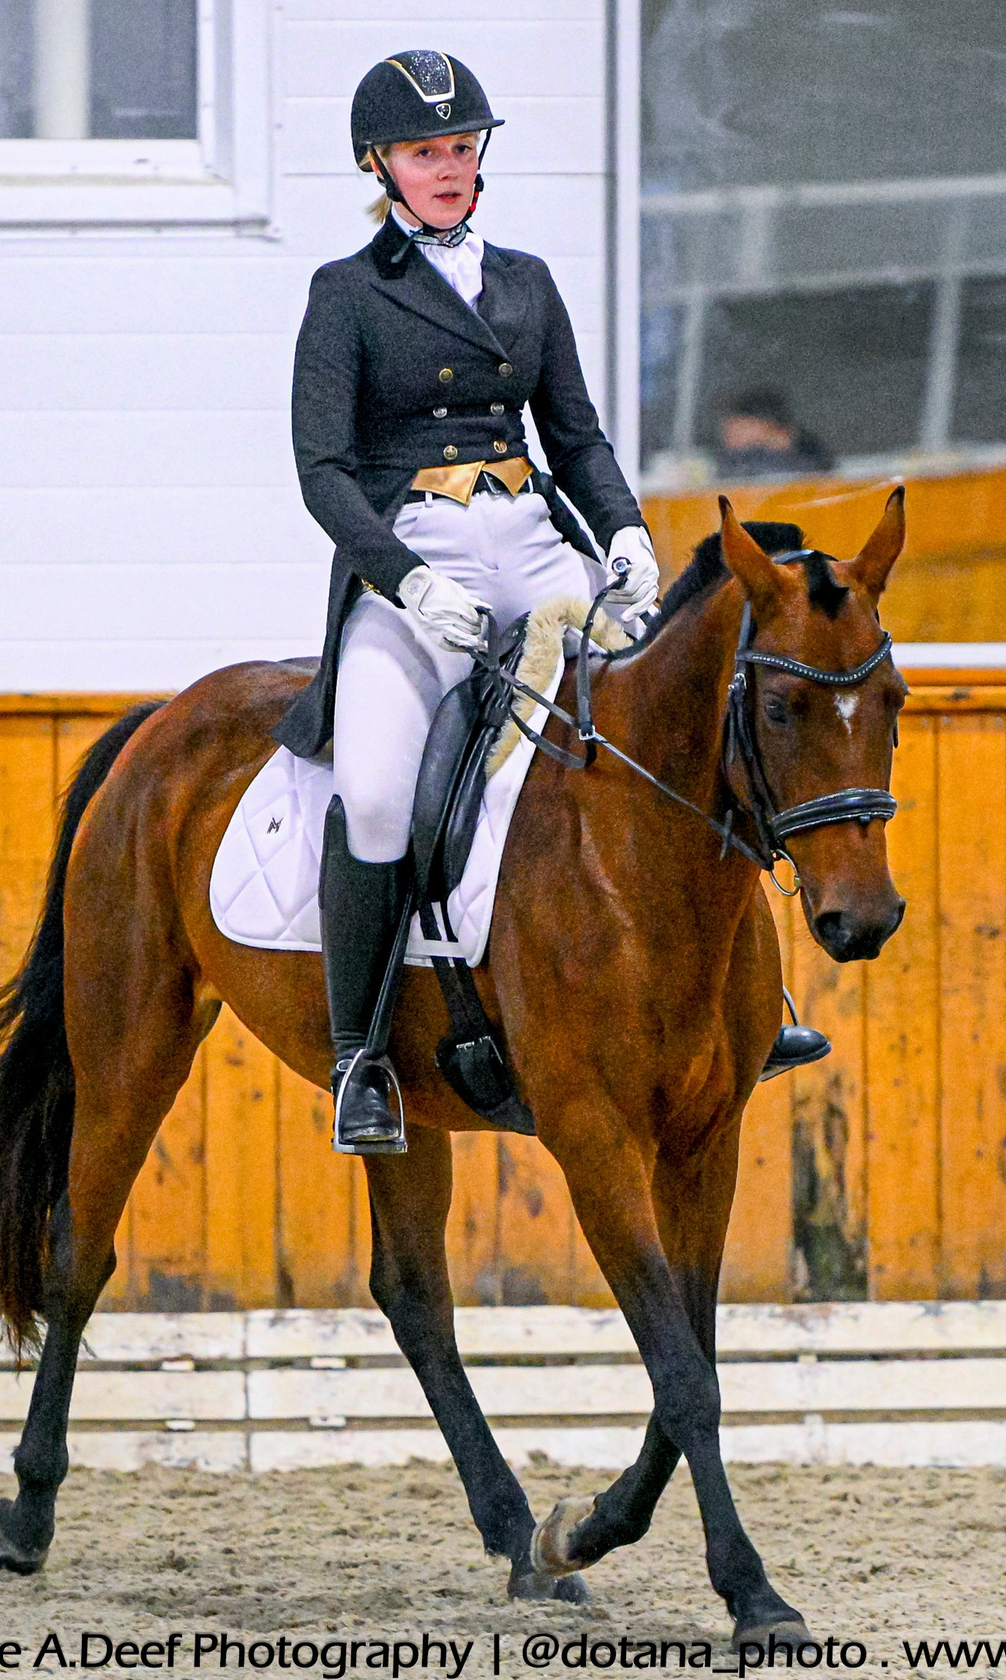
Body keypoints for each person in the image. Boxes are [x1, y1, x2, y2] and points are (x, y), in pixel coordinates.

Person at [275, 50, 664, 1153]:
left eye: (457, 147)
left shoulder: (529, 282)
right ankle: (360, 1059)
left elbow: (574, 435)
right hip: (418, 553)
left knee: (656, 731)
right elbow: (322, 471)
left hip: (537, 546)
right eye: (420, 152)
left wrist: (627, 533)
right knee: (381, 789)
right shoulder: (348, 294)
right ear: (381, 165)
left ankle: (739, 1005)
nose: (444, 169)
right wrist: (404, 582)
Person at [713, 388, 834, 480]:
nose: (728, 432)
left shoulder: (808, 464)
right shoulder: (721, 464)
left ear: (776, 430)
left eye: (742, 426)